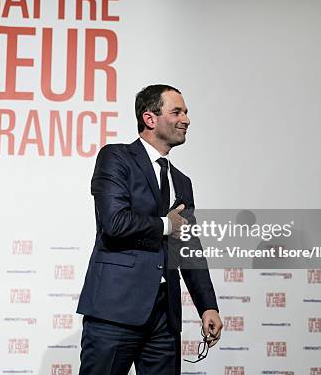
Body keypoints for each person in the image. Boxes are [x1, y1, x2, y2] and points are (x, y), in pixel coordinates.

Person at [77, 84, 222, 374]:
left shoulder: (182, 182)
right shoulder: (116, 158)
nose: (186, 119)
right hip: (114, 310)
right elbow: (115, 222)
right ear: (150, 119)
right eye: (177, 111)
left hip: (164, 319)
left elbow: (188, 248)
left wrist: (208, 306)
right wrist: (167, 225)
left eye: (186, 112)